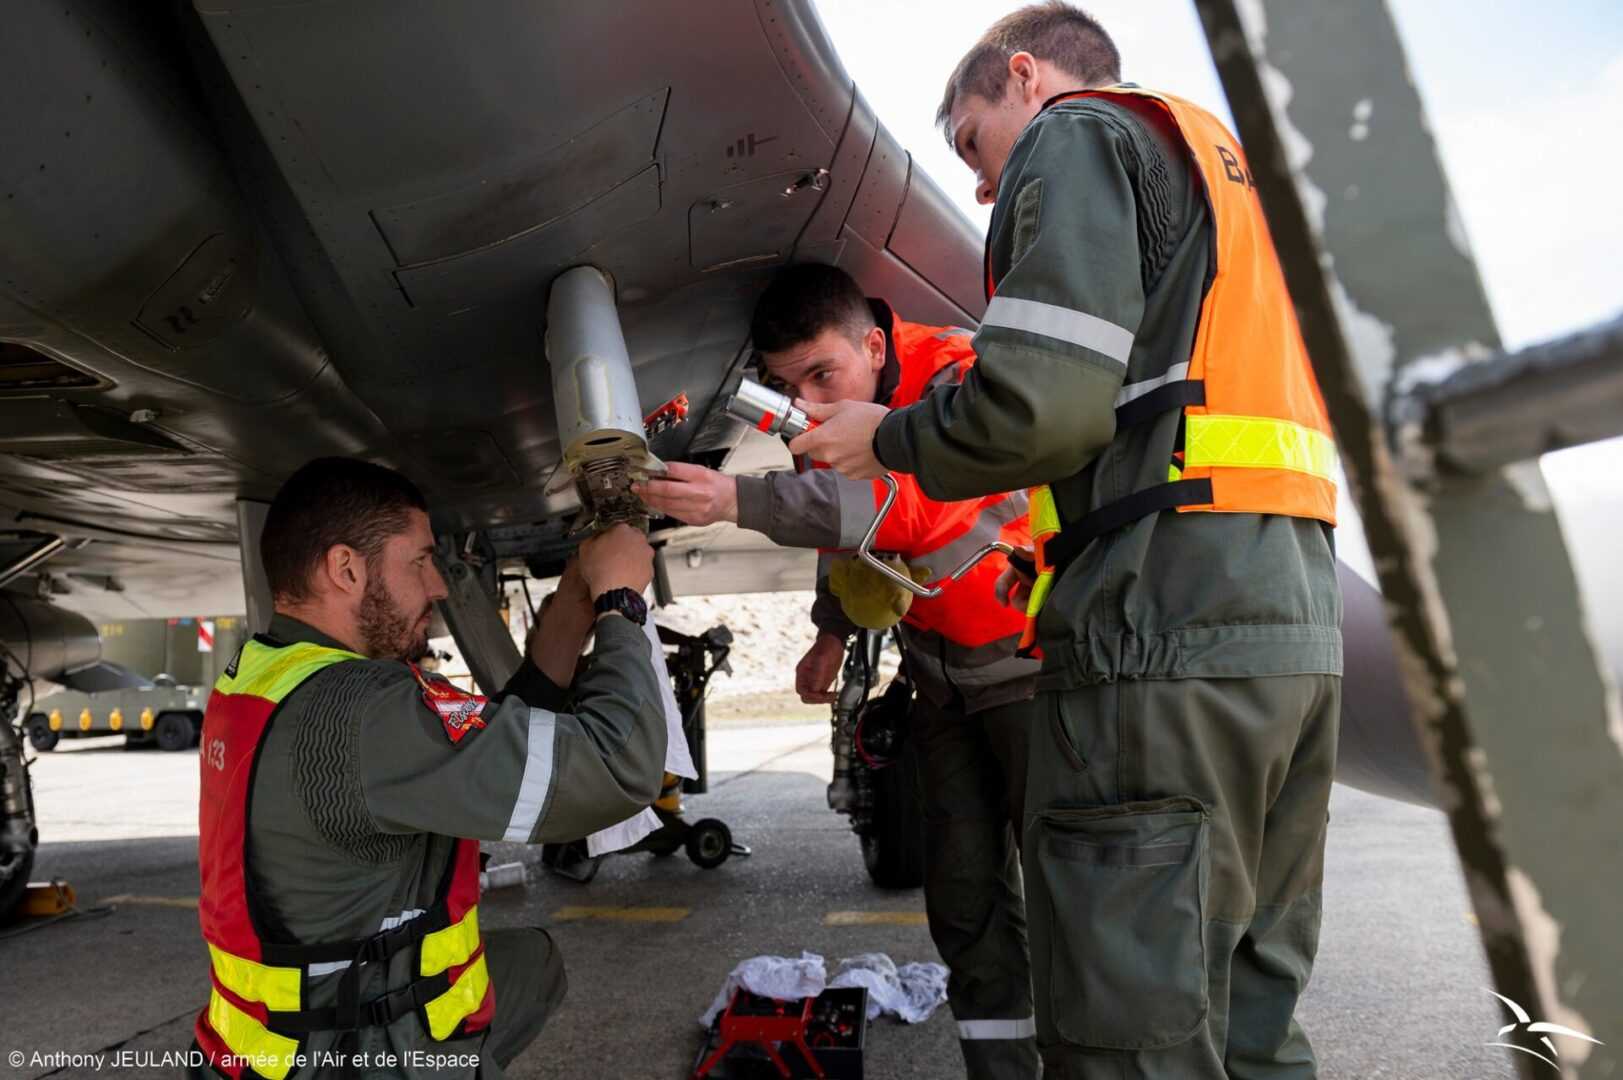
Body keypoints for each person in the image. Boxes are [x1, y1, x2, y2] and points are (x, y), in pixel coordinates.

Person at [788, 6, 1343, 1079]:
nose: (981, 188)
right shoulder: (1218, 168)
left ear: (1026, 77)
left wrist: (883, 436)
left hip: (1165, 630)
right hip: (1286, 626)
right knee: (1250, 1020)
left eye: (973, 145)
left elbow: (1040, 410)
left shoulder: (1078, 132)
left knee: (1128, 1029)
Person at [636, 263, 1041, 1079]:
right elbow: (841, 528)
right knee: (964, 904)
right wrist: (830, 631)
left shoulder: (961, 377)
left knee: (1073, 901)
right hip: (941, 683)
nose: (807, 402)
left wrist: (736, 500)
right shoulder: (816, 418)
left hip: (1032, 672)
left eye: (823, 375)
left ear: (875, 347)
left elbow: (908, 511)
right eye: (788, 386)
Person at [191, 457, 664, 1080]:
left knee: (532, 963)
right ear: (346, 569)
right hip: (350, 1054)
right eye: (420, 561)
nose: (438, 586)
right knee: (530, 967)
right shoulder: (364, 710)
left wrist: (576, 608)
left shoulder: (268, 671)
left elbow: (484, 740)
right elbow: (618, 765)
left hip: (267, 1044)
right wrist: (621, 604)